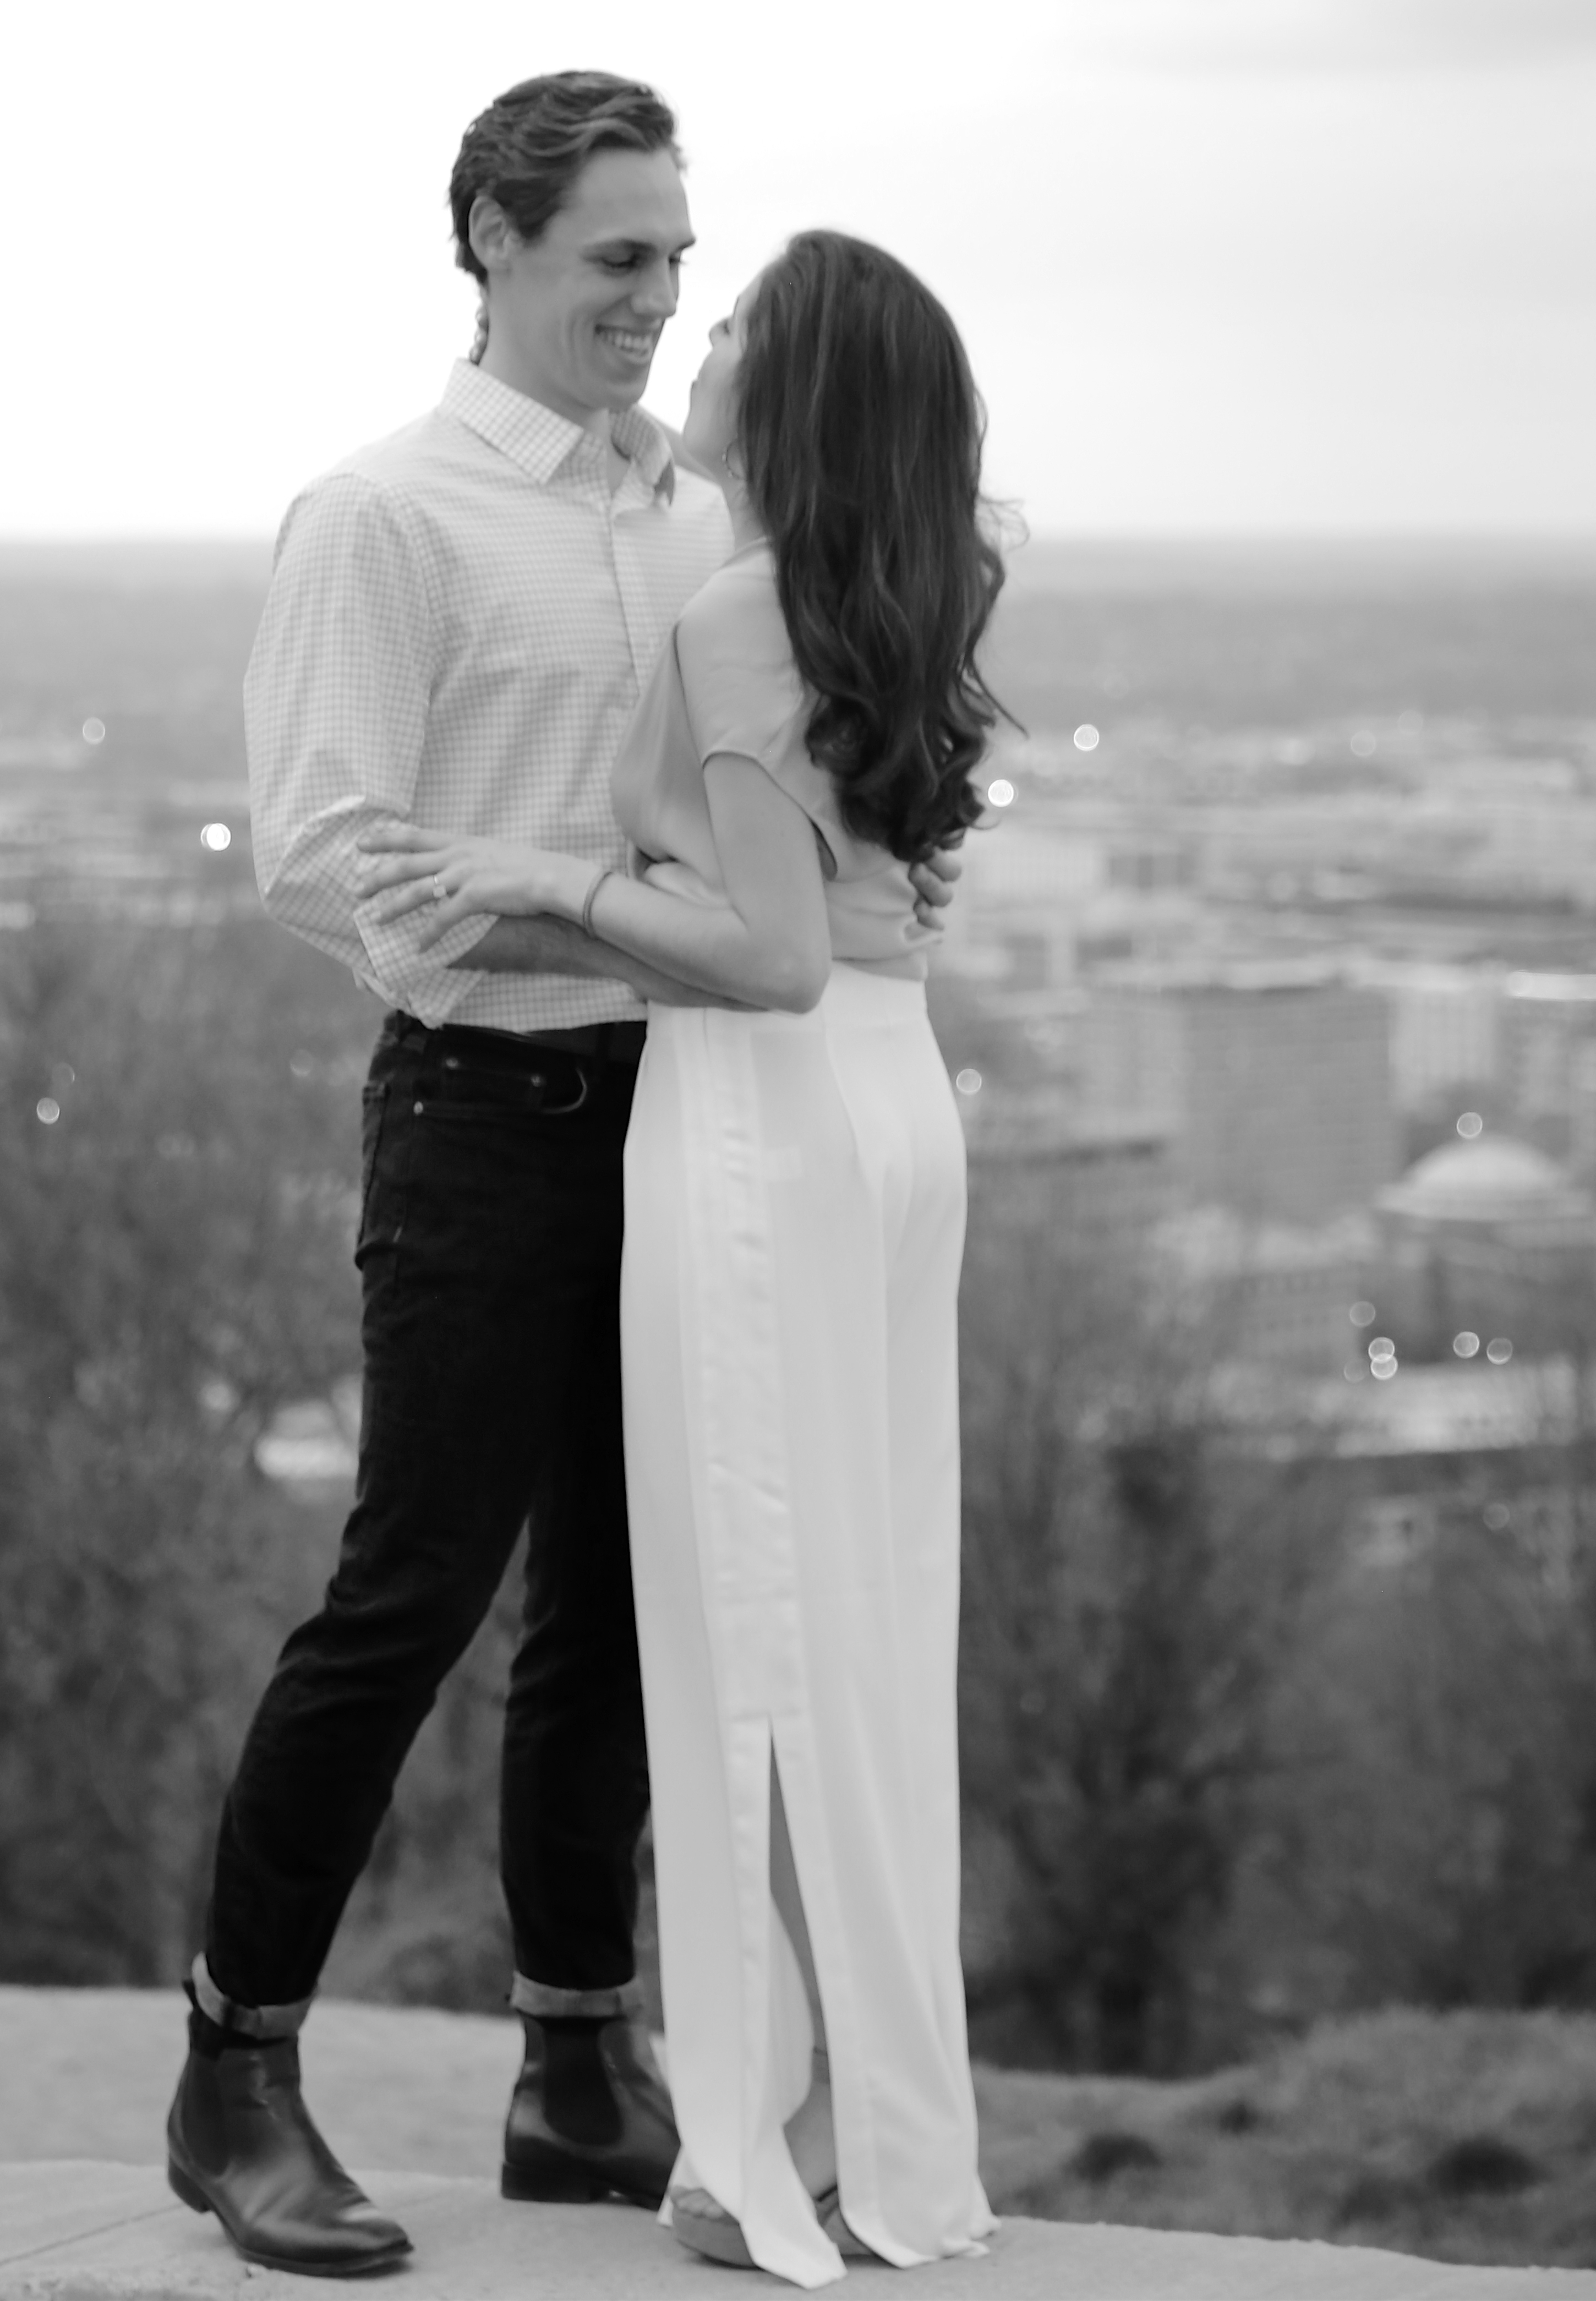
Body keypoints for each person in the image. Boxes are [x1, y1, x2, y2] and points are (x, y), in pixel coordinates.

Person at [165, 74, 955, 2278]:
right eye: (618, 256)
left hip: (705, 1117)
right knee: (412, 1591)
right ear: (494, 244)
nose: (655, 297)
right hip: (488, 1114)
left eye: (677, 259)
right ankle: (234, 2073)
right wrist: (594, 918)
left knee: (630, 1601)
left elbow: (794, 809)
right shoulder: (385, 518)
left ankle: (579, 2064)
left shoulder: (714, 518)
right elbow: (328, 858)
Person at [363, 230, 1004, 2283]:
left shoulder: (740, 614)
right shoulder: (896, 590)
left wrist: (545, 878)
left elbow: (769, 954)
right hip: (893, 1109)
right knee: (865, 1623)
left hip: (766, 1122)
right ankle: (872, 2125)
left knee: (763, 1632)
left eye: (733, 324)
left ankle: (796, 2144)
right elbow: (845, 915)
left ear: (788, 392)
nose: (695, 343)